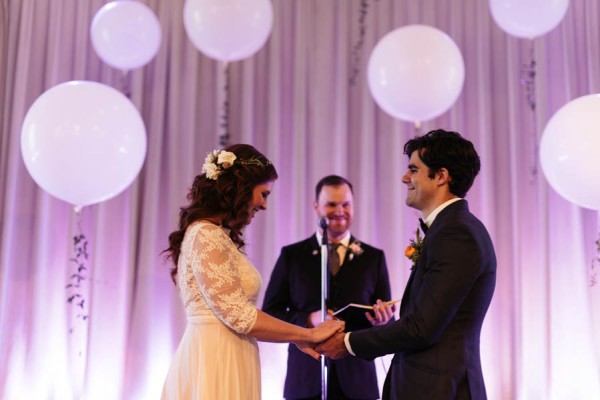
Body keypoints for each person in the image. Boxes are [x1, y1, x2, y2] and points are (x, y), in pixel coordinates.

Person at [316, 130, 497, 400]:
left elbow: (421, 328)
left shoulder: (455, 233)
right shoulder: (451, 229)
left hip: (440, 389)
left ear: (441, 176)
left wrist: (347, 342)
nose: (404, 178)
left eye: (413, 169)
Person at [161, 144, 344, 400]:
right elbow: (241, 317)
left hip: (229, 353)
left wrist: (295, 338)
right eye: (264, 194)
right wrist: (308, 334)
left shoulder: (215, 234)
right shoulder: (206, 235)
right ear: (242, 188)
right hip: (216, 359)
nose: (265, 205)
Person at [262, 175, 395, 399]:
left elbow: (387, 318)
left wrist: (383, 321)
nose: (339, 211)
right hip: (305, 378)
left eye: (346, 204)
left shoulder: (374, 258)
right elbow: (270, 313)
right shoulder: (292, 256)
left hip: (358, 381)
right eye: (331, 204)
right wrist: (308, 319)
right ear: (316, 207)